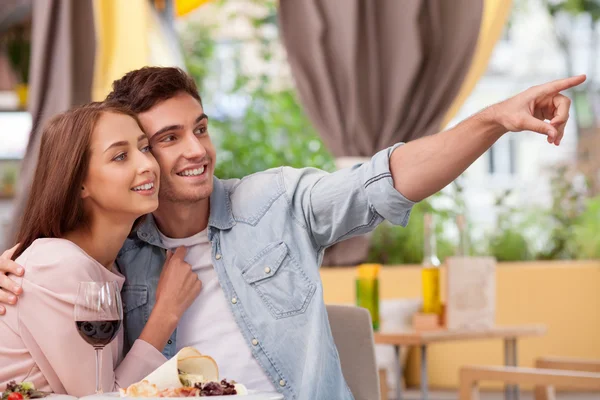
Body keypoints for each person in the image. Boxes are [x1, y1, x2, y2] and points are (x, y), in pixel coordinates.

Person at [0, 67, 585, 400]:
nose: (197, 150)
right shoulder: (113, 251)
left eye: (200, 128)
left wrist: (492, 120)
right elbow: (46, 305)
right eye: (168, 138)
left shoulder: (275, 201)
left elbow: (383, 180)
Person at [0, 103, 201, 397]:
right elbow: (102, 397)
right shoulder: (58, 264)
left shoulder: (106, 263)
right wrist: (166, 313)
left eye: (144, 148)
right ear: (80, 183)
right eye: (120, 156)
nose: (147, 165)